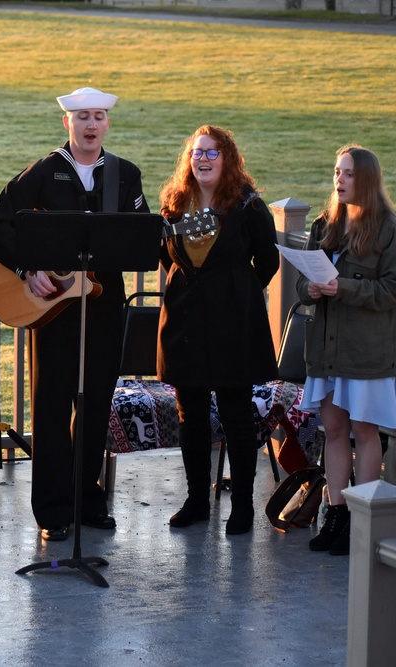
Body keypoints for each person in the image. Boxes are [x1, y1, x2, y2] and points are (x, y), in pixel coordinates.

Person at [0, 87, 149, 541]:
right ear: (67, 124)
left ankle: (87, 499)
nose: (91, 125)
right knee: (52, 407)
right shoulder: (42, 172)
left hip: (105, 307)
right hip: (53, 311)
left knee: (96, 404)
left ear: (107, 124)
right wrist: (29, 269)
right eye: (82, 118)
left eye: (98, 117)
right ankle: (53, 510)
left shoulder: (125, 175)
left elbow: (141, 240)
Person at [157, 125, 280, 535]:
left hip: (233, 327)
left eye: (212, 152)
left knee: (236, 418)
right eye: (197, 152)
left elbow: (268, 261)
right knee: (189, 417)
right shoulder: (174, 203)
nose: (203, 159)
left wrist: (235, 292)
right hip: (185, 325)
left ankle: (242, 506)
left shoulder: (247, 205)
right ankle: (196, 500)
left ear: (227, 158)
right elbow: (166, 256)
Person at [299, 144, 396, 556]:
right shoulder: (324, 225)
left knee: (364, 432)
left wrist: (342, 287)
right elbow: (301, 282)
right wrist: (309, 289)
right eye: (336, 172)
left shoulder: (389, 231)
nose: (339, 180)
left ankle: (361, 524)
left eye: (347, 174)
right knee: (334, 431)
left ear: (365, 179)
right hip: (327, 351)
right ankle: (336, 514)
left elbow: (394, 291)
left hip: (366, 354)